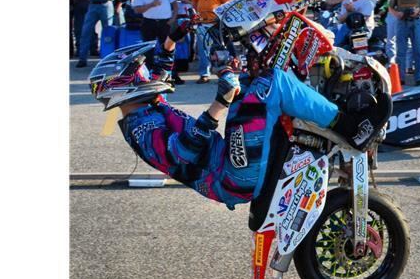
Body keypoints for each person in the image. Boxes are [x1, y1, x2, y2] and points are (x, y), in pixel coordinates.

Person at [89, 30, 391, 210]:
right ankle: (350, 128)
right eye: (140, 72)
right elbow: (184, 152)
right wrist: (220, 103)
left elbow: (160, 71)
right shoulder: (142, 131)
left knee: (251, 81)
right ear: (125, 85)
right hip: (230, 177)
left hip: (228, 167)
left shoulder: (145, 109)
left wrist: (172, 38)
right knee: (269, 84)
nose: (148, 76)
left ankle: (321, 120)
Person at [192, 0, 233, 84]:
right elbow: (195, 1)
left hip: (216, 22)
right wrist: (195, 15)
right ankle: (204, 74)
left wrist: (221, 19)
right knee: (203, 49)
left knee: (220, 49)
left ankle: (224, 74)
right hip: (201, 22)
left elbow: (227, 4)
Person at [76, 0, 121, 68]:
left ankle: (108, 59)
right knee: (85, 32)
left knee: (108, 32)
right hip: (93, 5)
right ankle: (82, 58)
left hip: (106, 4)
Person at [133, 0, 178, 71]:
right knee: (148, 50)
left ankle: (169, 73)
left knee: (167, 49)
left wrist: (173, 18)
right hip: (149, 23)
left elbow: (175, 5)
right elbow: (137, 10)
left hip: (164, 22)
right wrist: (151, 5)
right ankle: (149, 73)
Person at [171, 0, 197, 85]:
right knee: (181, 41)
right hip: (180, 16)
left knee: (191, 41)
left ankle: (187, 61)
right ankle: (179, 65)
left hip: (190, 16)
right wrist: (189, 1)